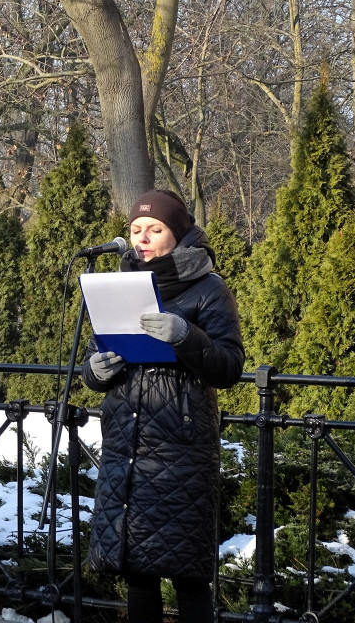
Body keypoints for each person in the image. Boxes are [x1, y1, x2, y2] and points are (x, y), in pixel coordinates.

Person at [82, 189, 244, 623]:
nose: (143, 237)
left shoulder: (209, 288)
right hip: (126, 446)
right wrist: (95, 370)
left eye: (155, 229)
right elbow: (99, 356)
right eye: (136, 229)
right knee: (137, 571)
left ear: (179, 232)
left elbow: (229, 367)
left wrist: (184, 336)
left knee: (188, 575)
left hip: (180, 451)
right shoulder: (119, 284)